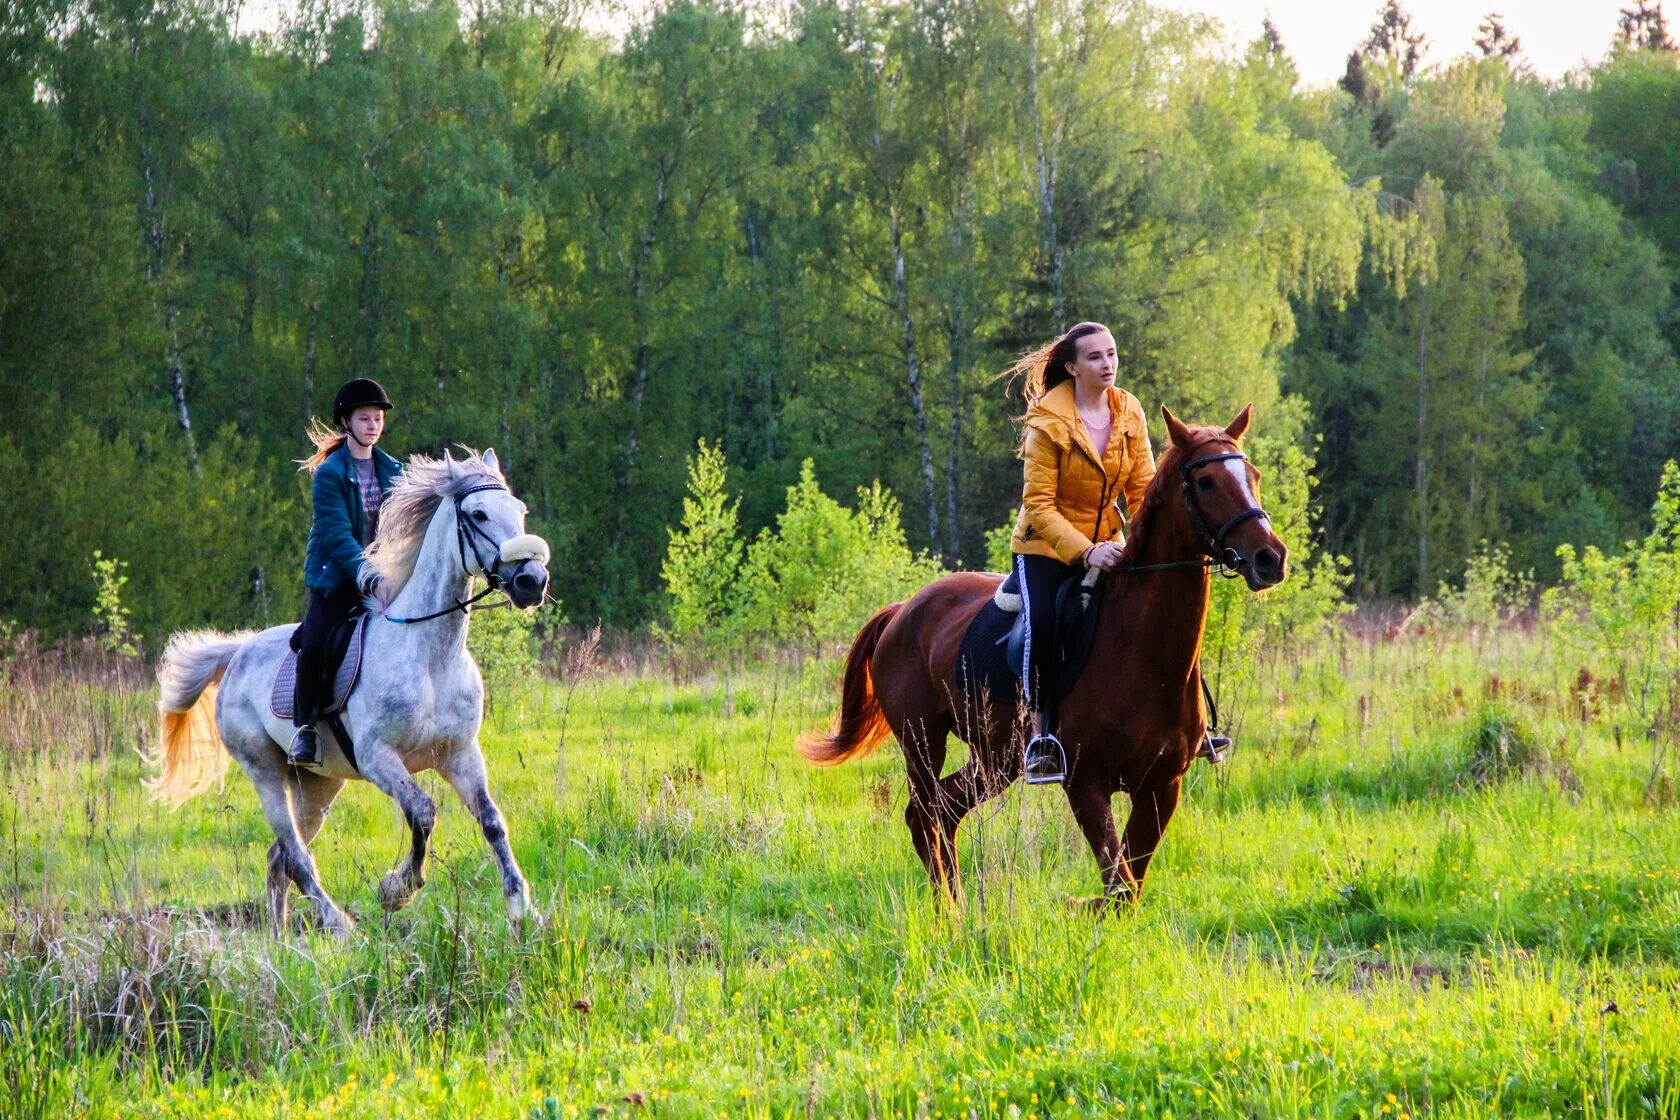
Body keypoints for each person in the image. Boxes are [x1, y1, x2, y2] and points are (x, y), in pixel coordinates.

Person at [1006, 322, 1155, 784]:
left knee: (1161, 609)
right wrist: (1086, 552)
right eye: (1095, 357)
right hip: (1044, 546)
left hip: (1110, 543)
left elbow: (1143, 487)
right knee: (1046, 622)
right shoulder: (1046, 422)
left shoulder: (1130, 410)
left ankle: (1190, 723)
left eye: (1111, 354)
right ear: (1072, 367)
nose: (1107, 363)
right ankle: (1041, 736)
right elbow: (1039, 505)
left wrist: (1144, 541)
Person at [288, 378, 402, 766]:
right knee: (316, 644)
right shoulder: (330, 475)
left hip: (384, 578)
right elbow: (337, 538)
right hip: (336, 580)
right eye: (364, 418)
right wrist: (369, 575)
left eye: (377, 419)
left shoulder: (394, 471)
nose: (373, 425)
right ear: (346, 422)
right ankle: (305, 728)